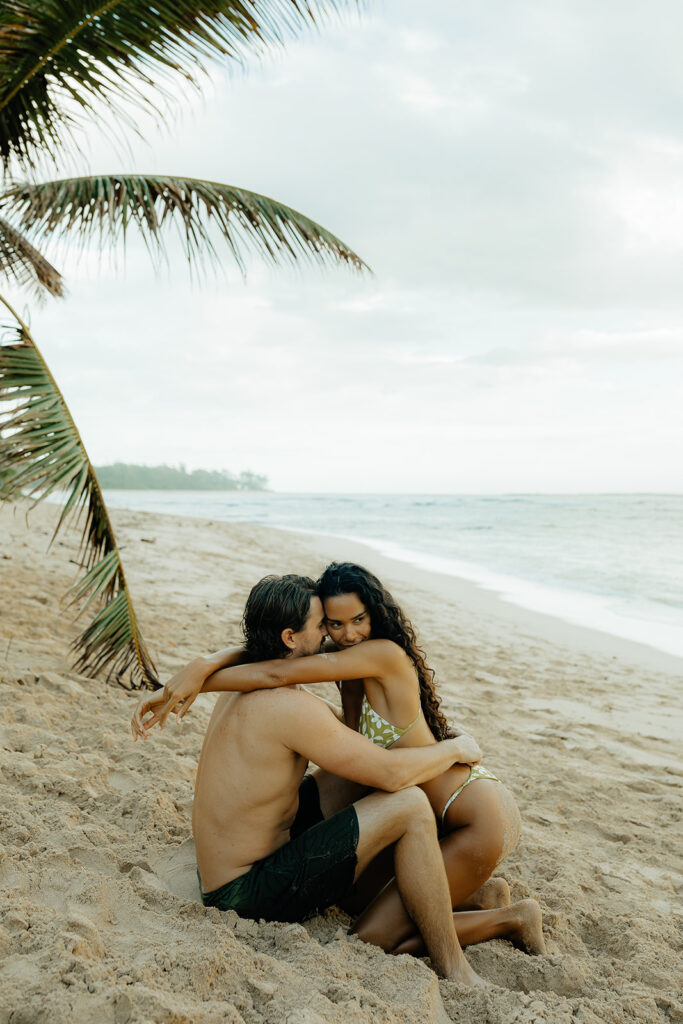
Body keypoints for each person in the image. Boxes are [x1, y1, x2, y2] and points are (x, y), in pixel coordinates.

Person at [133, 569, 545, 961]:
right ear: (291, 637)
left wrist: (204, 669)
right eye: (325, 626)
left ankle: (456, 915)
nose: (336, 636)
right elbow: (385, 769)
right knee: (401, 808)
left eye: (344, 623)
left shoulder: (258, 680)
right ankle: (483, 918)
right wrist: (457, 749)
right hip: (243, 892)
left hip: (466, 812)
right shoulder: (287, 701)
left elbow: (274, 668)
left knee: (361, 781)